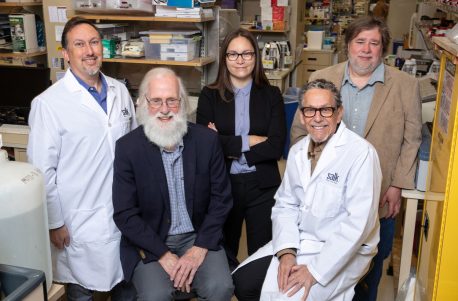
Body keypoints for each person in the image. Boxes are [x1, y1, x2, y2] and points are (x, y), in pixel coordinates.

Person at [290, 16, 422, 301]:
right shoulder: (320, 78)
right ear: (348, 45)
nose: (366, 49)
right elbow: (300, 136)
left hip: (379, 196)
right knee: (319, 273)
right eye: (360, 42)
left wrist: (398, 184)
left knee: (367, 275)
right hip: (325, 198)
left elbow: (412, 140)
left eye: (374, 43)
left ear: (382, 48)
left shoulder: (405, 86)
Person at [233, 79, 382, 301]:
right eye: (310, 110)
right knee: (242, 283)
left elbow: (357, 226)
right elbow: (286, 204)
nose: (318, 118)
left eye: (326, 110)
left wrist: (314, 271)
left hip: (342, 251)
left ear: (339, 113)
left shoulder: (361, 154)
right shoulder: (298, 152)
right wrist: (286, 253)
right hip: (302, 241)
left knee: (290, 296)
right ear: (302, 116)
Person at [27, 17, 137, 300]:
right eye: (79, 44)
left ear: (103, 47)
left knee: (126, 283)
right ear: (66, 54)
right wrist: (55, 222)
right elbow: (42, 172)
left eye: (94, 42)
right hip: (77, 222)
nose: (89, 50)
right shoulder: (48, 104)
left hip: (122, 213)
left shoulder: (119, 91)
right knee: (81, 290)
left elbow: (136, 148)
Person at [112, 67, 234, 300]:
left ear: (183, 103)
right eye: (156, 101)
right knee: (155, 295)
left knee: (221, 287)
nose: (165, 109)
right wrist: (163, 254)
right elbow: (125, 213)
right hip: (152, 240)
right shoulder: (128, 148)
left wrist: (199, 249)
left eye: (172, 100)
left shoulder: (207, 141)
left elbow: (222, 200)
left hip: (198, 236)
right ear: (144, 103)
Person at [196, 28, 286, 269]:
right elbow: (206, 144)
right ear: (224, 58)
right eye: (233, 54)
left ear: (255, 57)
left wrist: (226, 142)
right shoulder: (209, 95)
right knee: (223, 254)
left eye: (246, 53)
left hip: (263, 186)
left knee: (262, 256)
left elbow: (276, 145)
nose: (240, 60)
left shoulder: (271, 94)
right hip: (222, 185)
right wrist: (252, 140)